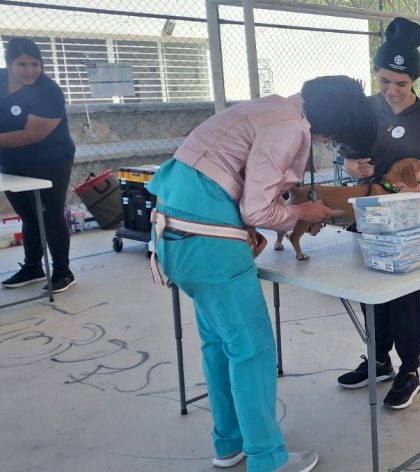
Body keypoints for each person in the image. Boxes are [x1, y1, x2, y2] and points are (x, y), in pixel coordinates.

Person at [147, 75, 376, 472]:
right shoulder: (288, 127)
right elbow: (256, 209)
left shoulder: (268, 107)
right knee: (252, 351)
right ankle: (267, 459)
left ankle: (229, 442)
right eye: (333, 138)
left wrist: (290, 215)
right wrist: (301, 212)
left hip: (175, 239)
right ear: (331, 125)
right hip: (211, 247)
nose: (327, 143)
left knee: (221, 345)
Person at [339, 17, 420, 410]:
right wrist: (353, 167)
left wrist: (417, 188)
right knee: (372, 293)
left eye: (400, 84)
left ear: (414, 81)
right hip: (369, 215)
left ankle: (410, 370)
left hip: (410, 220)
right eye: (384, 81)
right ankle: (378, 360)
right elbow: (348, 158)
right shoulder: (366, 110)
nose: (391, 90)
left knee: (406, 297)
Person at [0, 38, 76, 292]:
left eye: (36, 64)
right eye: (22, 64)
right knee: (29, 215)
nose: (30, 70)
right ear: (9, 64)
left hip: (50, 159)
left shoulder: (49, 91)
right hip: (10, 158)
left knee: (49, 215)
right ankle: (33, 267)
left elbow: (33, 134)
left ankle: (63, 272)